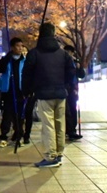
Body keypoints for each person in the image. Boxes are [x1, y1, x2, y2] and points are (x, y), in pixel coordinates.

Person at [23, 22, 76, 168]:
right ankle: (59, 153)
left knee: (48, 124)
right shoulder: (63, 53)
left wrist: (26, 90)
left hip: (43, 92)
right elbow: (72, 71)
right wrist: (66, 85)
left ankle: (50, 155)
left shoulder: (34, 53)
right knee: (60, 122)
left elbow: (26, 74)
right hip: (60, 92)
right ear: (54, 34)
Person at [0, 37, 34, 147]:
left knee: (20, 116)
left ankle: (18, 136)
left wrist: (28, 89)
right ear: (12, 47)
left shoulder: (25, 60)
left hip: (21, 91)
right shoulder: (6, 59)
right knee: (7, 115)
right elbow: (0, 69)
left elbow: (28, 75)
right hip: (8, 90)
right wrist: (7, 58)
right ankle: (4, 137)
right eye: (17, 46)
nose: (20, 48)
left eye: (21, 46)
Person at [64, 45, 86, 141]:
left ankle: (72, 129)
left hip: (73, 89)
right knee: (66, 111)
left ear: (72, 53)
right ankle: (70, 130)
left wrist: (79, 67)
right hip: (64, 88)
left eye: (69, 52)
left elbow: (81, 75)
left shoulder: (75, 62)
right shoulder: (62, 62)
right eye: (66, 52)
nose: (67, 54)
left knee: (73, 109)